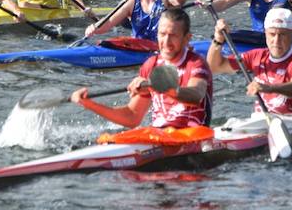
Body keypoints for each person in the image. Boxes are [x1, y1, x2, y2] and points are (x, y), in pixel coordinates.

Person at [72, 7, 213, 131]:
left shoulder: (196, 63)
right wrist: (89, 104)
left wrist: (158, 85)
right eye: (162, 34)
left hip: (191, 133)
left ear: (187, 38)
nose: (166, 42)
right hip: (160, 134)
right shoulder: (150, 65)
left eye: (173, 35)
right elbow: (132, 117)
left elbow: (196, 95)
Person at [207, 9, 292, 117]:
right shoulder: (256, 56)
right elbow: (214, 67)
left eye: (282, 35)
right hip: (262, 122)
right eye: (272, 34)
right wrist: (218, 39)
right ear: (265, 33)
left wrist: (269, 88)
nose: (276, 41)